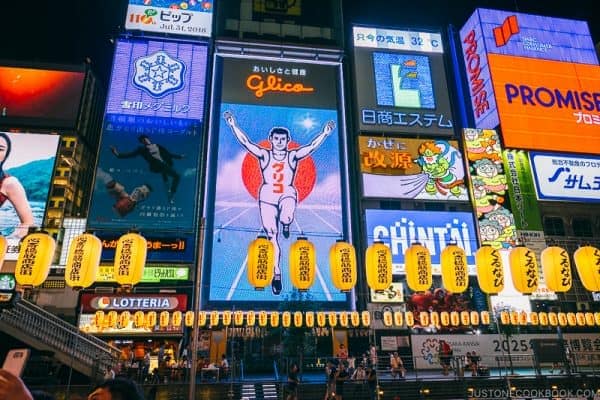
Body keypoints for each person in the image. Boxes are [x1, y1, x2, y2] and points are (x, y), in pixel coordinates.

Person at [223, 111, 335, 295]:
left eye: (283, 139)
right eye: (276, 139)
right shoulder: (264, 155)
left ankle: (286, 222)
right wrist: (233, 124)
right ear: (271, 139)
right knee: (272, 238)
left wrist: (325, 132)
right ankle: (277, 274)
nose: (280, 142)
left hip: (287, 193)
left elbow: (311, 147)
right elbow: (246, 143)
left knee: (287, 214)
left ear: (288, 140)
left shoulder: (292, 156)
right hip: (267, 196)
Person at [110, 135, 183, 203]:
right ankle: (169, 191)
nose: (144, 141)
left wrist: (179, 156)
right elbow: (130, 155)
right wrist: (117, 154)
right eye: (142, 141)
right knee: (173, 174)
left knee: (171, 175)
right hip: (156, 166)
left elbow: (168, 154)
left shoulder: (157, 146)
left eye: (145, 139)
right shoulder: (142, 149)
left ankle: (170, 194)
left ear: (148, 139)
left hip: (163, 165)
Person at [0, 132, 34, 239]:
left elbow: (28, 223)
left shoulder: (10, 183)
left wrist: (9, 241)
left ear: (5, 155)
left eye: (0, 149)